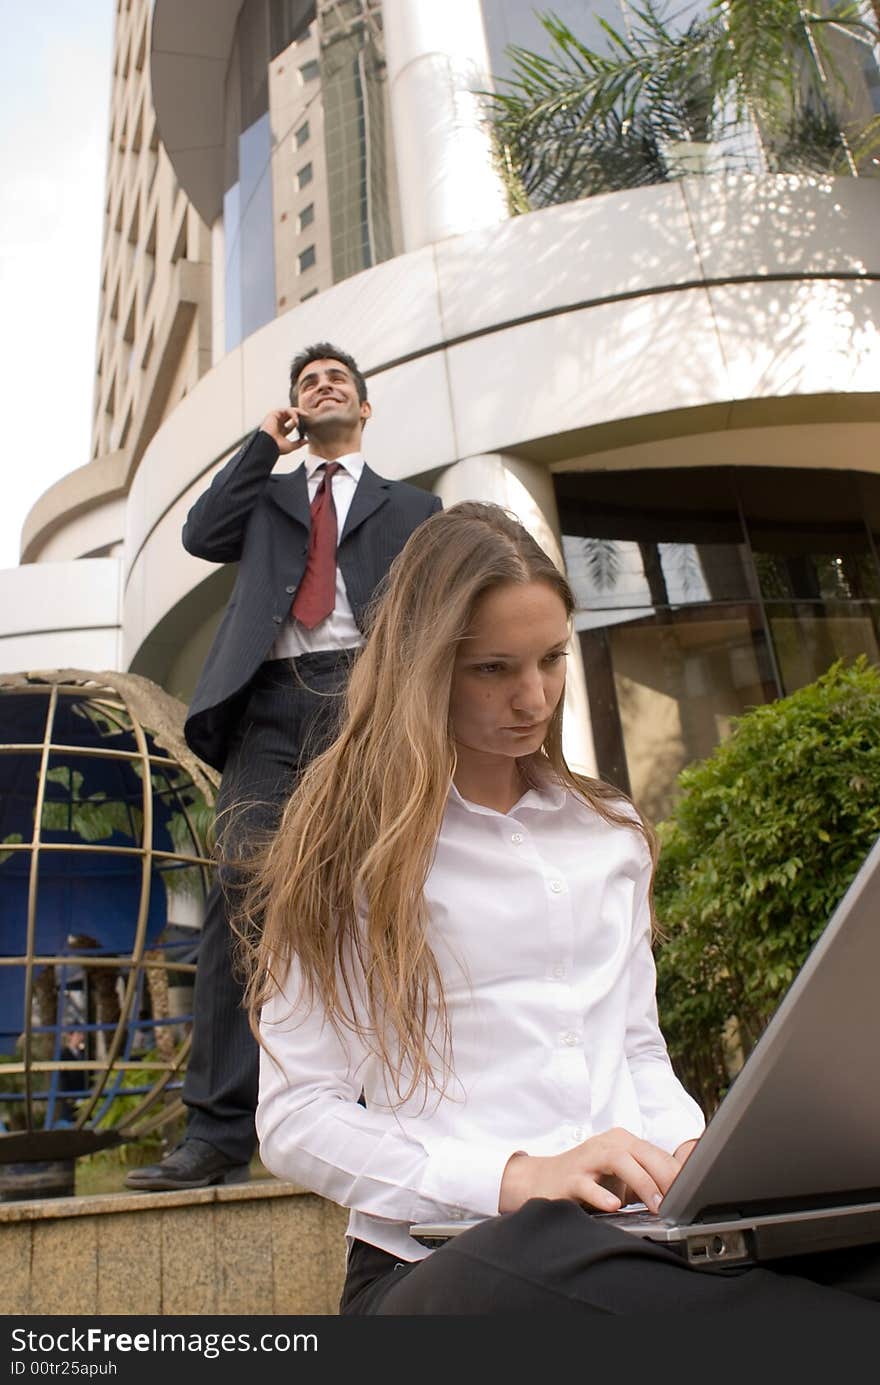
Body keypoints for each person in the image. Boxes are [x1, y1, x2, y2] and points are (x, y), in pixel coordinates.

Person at [243, 501, 880, 1318]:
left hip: (631, 1232)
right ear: (422, 665)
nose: (533, 696)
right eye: (493, 669)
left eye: (551, 658)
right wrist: (513, 1178)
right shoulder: (349, 849)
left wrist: (688, 1151)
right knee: (539, 1254)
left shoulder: (607, 832)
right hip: (445, 1261)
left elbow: (638, 1050)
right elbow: (295, 1118)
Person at [126, 343, 441, 1192]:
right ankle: (219, 1130)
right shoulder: (264, 497)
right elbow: (200, 536)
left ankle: (390, 1105)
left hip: (365, 704)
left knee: (376, 892)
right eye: (307, 383)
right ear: (295, 409)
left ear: (365, 408)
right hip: (268, 703)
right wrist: (264, 443)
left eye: (337, 380)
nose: (322, 387)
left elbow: (440, 604)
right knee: (242, 891)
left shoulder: (413, 506)